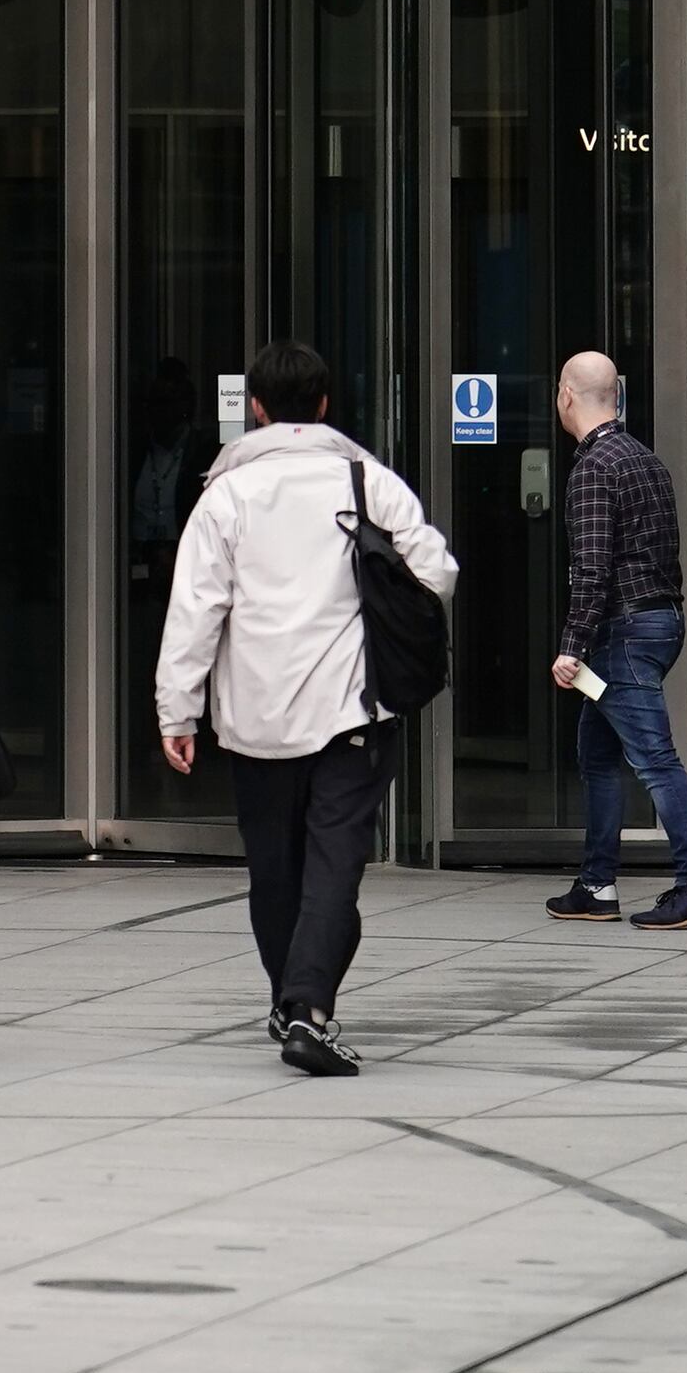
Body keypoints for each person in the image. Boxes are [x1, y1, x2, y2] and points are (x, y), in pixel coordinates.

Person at [153, 338, 456, 1078]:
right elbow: (438, 568)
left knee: (274, 872)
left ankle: (291, 999)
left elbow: (195, 609)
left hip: (254, 716)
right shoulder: (364, 478)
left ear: (255, 407)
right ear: (324, 404)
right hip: (351, 709)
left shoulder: (224, 493)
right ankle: (308, 1007)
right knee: (333, 870)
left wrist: (177, 712)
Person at [543, 350, 687, 931]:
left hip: (622, 631)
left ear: (566, 395)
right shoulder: (646, 460)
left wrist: (572, 644)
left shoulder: (594, 468)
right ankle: (596, 885)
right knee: (597, 755)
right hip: (658, 620)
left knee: (653, 759)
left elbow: (591, 568)